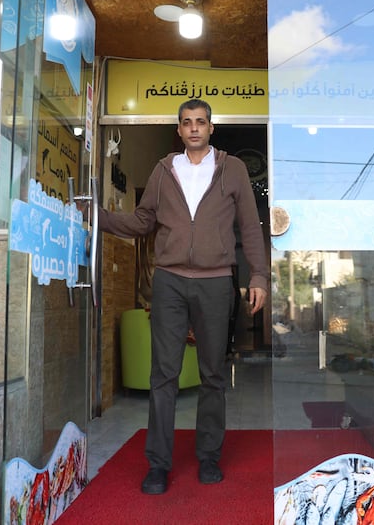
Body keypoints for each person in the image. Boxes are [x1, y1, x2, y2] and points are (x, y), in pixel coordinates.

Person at [98, 99, 269, 495]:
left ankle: (209, 456)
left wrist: (257, 275)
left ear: (211, 128)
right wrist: (100, 217)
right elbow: (142, 221)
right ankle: (158, 464)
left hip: (215, 281)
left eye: (201, 122)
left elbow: (248, 225)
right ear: (179, 130)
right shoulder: (164, 170)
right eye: (187, 123)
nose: (194, 128)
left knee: (212, 374)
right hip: (170, 280)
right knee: (164, 374)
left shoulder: (233, 169)